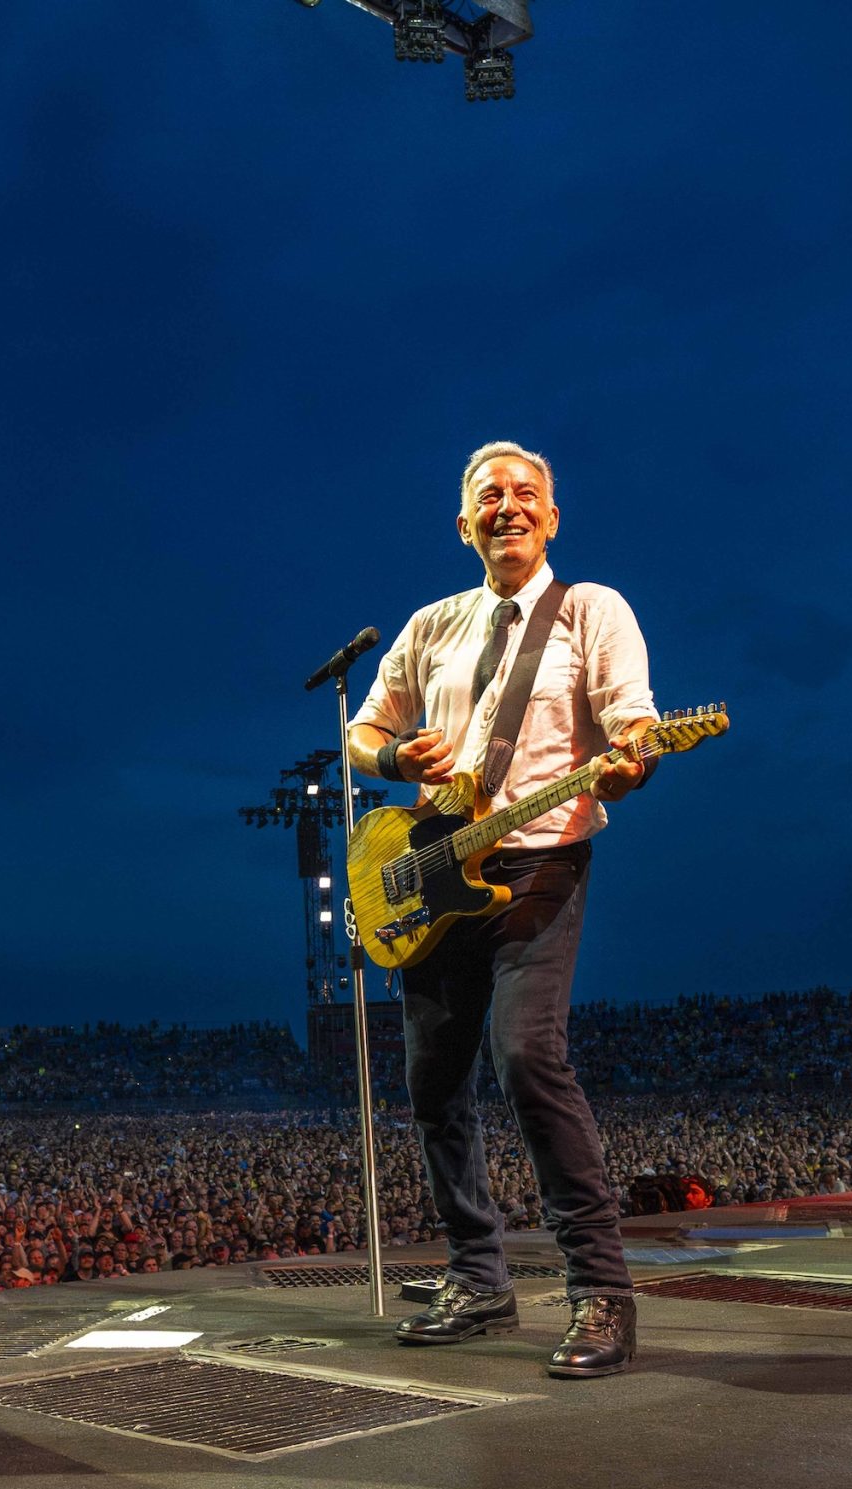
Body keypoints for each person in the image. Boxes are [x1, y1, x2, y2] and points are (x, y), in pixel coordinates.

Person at [348, 441, 657, 1376]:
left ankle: (601, 1292)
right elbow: (364, 732)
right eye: (491, 496)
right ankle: (477, 1276)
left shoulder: (591, 609)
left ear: (553, 518)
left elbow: (635, 722)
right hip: (436, 870)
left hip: (540, 865)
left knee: (528, 1057)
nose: (510, 507)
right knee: (434, 1084)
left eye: (528, 495)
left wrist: (637, 753)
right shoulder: (432, 623)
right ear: (464, 524)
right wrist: (397, 759)